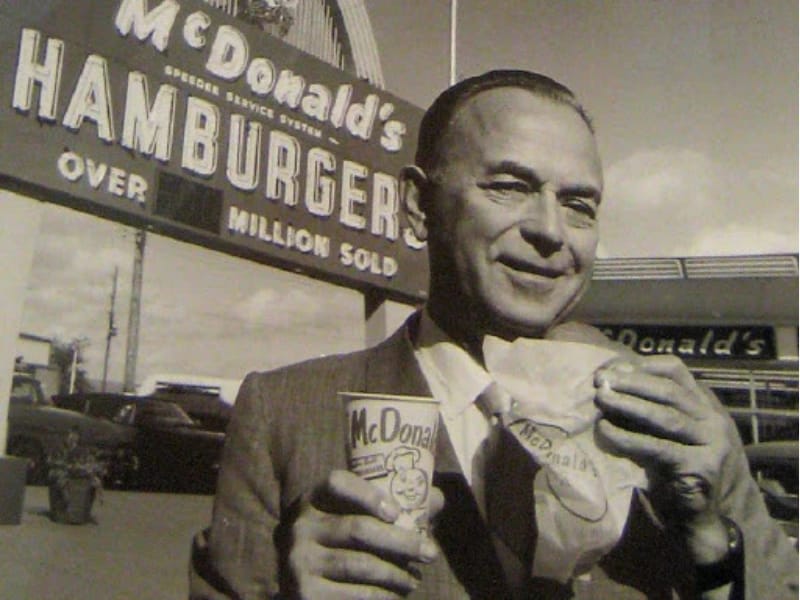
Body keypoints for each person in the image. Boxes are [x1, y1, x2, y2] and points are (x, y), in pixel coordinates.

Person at [189, 70, 797, 599]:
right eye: (510, 187)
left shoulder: (676, 425)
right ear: (419, 206)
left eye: (580, 204)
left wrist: (717, 548)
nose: (552, 231)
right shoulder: (284, 415)